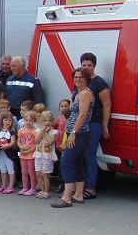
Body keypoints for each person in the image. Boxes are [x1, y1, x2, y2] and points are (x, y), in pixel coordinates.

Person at [52, 68, 94, 208]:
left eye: (81, 77)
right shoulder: (79, 94)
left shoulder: (85, 94)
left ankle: (67, 197)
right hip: (79, 134)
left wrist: (74, 133)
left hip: (79, 134)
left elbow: (82, 115)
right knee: (78, 164)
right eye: (75, 77)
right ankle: (78, 195)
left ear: (86, 78)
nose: (77, 79)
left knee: (66, 163)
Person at [77, 52, 112, 200]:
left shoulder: (99, 83)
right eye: (84, 65)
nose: (86, 68)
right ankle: (79, 187)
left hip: (94, 123)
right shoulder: (80, 81)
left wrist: (104, 126)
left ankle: (91, 188)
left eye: (89, 65)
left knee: (90, 155)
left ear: (94, 66)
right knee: (79, 155)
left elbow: (107, 105)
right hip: (80, 124)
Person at [0, 112, 18, 194]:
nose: (8, 122)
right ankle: (3, 185)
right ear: (2, 121)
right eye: (5, 120)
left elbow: (13, 142)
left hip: (8, 154)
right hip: (0, 153)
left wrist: (7, 145)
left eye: (10, 120)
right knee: (3, 170)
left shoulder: (12, 132)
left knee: (10, 170)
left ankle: (10, 186)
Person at [35, 111, 59, 199]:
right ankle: (41, 190)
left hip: (47, 156)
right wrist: (41, 131)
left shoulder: (54, 132)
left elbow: (50, 142)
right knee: (38, 173)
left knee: (45, 174)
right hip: (38, 155)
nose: (47, 123)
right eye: (45, 121)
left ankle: (46, 191)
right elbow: (36, 141)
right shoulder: (38, 130)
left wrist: (45, 133)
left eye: (49, 121)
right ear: (41, 122)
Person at [17, 111, 39, 196]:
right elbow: (18, 141)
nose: (28, 122)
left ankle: (33, 188)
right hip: (23, 154)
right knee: (24, 171)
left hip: (31, 155)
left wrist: (28, 151)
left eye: (30, 120)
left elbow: (36, 144)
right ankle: (25, 187)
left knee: (31, 171)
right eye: (26, 120)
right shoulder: (21, 130)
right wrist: (21, 148)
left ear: (34, 121)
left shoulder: (35, 131)